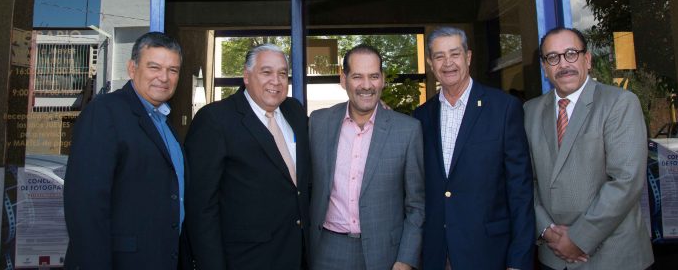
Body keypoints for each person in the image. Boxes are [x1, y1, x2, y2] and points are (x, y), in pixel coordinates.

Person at [524, 27, 653, 270]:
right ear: (544, 67)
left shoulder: (619, 103)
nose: (563, 64)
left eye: (571, 53)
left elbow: (626, 180)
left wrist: (579, 238)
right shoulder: (529, 112)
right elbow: (524, 181)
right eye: (553, 57)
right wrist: (546, 230)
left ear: (588, 59)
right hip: (553, 257)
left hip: (612, 257)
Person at [413, 27, 534, 270]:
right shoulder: (420, 117)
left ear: (468, 57)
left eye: (454, 54)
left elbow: (520, 190)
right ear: (430, 63)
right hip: (437, 255)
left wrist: (519, 260)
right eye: (439, 56)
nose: (448, 63)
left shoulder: (504, 108)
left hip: (489, 253)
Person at [64, 31, 187, 270]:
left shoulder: (164, 123)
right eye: (154, 67)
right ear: (132, 69)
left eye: (172, 70)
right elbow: (85, 206)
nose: (164, 77)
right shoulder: (105, 113)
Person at [185, 44, 310, 270]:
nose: (276, 80)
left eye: (282, 73)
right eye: (266, 72)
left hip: (296, 256)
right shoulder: (215, 120)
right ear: (246, 75)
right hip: (245, 259)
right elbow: (201, 206)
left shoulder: (295, 112)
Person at [309, 44, 424, 270]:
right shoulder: (318, 123)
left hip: (387, 255)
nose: (366, 85)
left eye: (373, 76)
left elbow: (417, 204)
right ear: (343, 80)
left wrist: (406, 259)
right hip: (327, 251)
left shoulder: (408, 130)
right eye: (357, 77)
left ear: (382, 79)